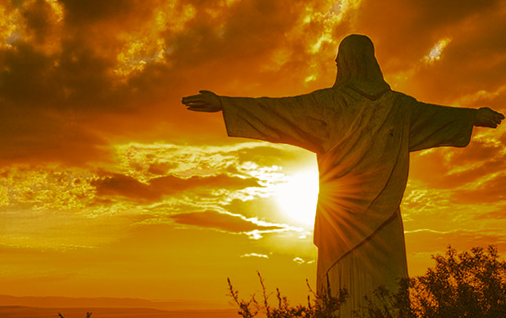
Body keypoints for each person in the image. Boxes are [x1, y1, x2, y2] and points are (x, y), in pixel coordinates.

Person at [182, 34, 503, 317]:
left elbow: (279, 110)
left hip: (340, 221)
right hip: (383, 216)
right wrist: (474, 116)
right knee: (386, 292)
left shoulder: (329, 104)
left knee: (342, 297)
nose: (337, 67)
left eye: (338, 62)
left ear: (346, 63)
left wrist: (226, 103)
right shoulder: (400, 107)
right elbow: (438, 116)